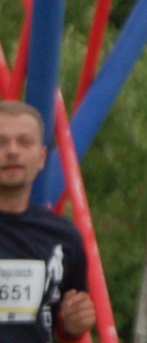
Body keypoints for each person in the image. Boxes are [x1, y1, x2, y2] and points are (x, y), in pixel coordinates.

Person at [0, 103, 94, 343]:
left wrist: (75, 323)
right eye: (1, 142)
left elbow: (65, 325)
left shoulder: (64, 236)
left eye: (24, 142)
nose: (12, 151)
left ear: (42, 157)